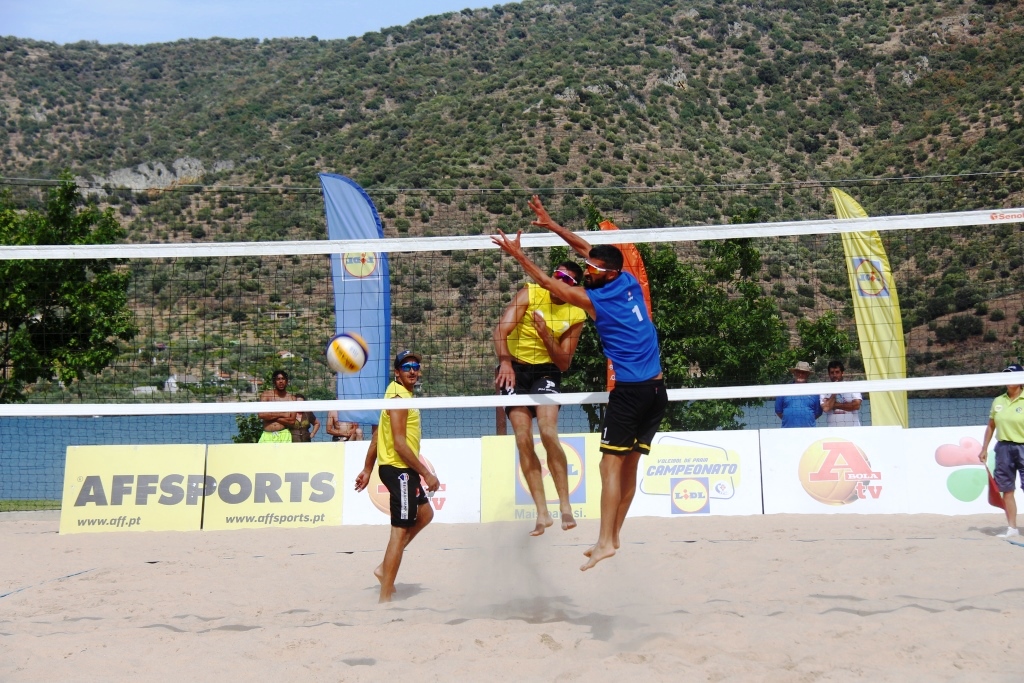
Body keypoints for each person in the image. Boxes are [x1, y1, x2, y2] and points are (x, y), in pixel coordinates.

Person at [492, 195, 666, 571]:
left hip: (631, 394)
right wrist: (552, 225)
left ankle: (604, 541)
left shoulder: (593, 301)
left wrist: (518, 254)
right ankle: (614, 535)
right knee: (630, 468)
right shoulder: (628, 280)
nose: (587, 268)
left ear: (605, 273)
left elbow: (545, 282)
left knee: (609, 469)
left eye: (591, 268)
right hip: (657, 391)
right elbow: (587, 248)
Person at [494, 260, 587, 536]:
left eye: (568, 281)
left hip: (546, 371)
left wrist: (546, 333)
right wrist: (505, 362)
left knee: (548, 432)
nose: (561, 282)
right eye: (558, 276)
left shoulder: (575, 311)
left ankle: (565, 505)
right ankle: (542, 512)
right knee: (523, 438)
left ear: (573, 286)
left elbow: (564, 363)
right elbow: (500, 331)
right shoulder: (531, 293)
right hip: (515, 368)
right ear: (552, 276)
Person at [354, 350, 441, 602]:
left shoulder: (398, 393)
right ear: (397, 372)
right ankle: (384, 596)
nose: (412, 370)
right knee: (399, 532)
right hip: (399, 469)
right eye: (407, 367)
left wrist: (368, 468)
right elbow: (400, 444)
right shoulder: (398, 397)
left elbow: (377, 435)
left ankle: (384, 568)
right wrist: (427, 473)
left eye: (416, 366)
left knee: (425, 514)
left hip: (401, 468)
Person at [978, 364, 1024, 538]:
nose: (1009, 380)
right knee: (1006, 489)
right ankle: (1012, 528)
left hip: (1023, 446)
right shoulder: (998, 401)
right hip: (1004, 448)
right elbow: (991, 426)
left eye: (1013, 376)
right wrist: (984, 448)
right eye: (1006, 376)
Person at [775, 361, 822, 428]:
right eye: (798, 372)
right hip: (788, 431)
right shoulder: (784, 390)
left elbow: (818, 413)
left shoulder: (814, 392)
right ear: (794, 373)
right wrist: (790, 420)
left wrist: (806, 420)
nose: (800, 374)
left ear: (808, 375)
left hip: (809, 432)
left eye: (803, 373)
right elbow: (778, 411)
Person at [257, 369, 295, 443]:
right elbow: (261, 415)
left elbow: (292, 421)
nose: (281, 381)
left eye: (283, 379)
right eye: (278, 379)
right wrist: (283, 414)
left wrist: (270, 416)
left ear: (286, 381)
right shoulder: (266, 395)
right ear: (274, 382)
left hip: (284, 435)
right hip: (267, 435)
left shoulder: (292, 398)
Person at [820, 360, 862, 427]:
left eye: (837, 372)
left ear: (842, 373)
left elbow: (856, 405)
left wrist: (834, 405)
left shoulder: (852, 386)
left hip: (853, 430)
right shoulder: (824, 389)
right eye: (832, 372)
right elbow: (826, 408)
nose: (834, 375)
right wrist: (834, 392)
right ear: (829, 374)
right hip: (833, 431)